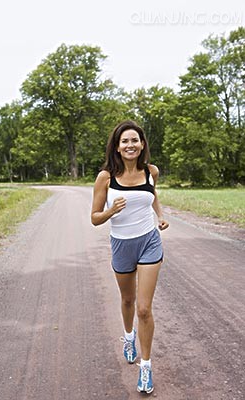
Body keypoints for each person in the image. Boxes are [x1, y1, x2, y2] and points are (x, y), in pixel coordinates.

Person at [91, 120, 169, 394]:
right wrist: (111, 211)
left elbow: (152, 195)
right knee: (128, 299)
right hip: (122, 244)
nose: (130, 145)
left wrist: (159, 216)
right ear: (117, 146)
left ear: (142, 144)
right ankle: (128, 336)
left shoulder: (151, 171)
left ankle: (145, 367)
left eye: (134, 140)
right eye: (124, 141)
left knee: (144, 308)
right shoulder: (106, 178)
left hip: (149, 241)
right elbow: (94, 218)